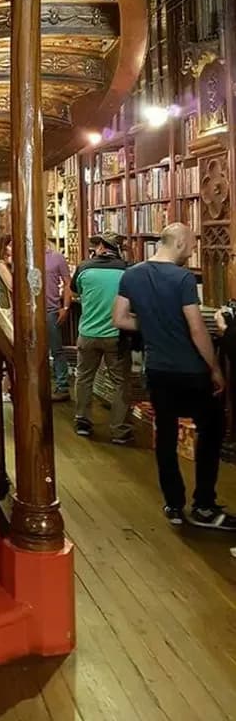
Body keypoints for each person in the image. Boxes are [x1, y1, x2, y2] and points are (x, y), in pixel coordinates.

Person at [113, 222, 236, 529]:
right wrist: (215, 368)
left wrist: (153, 326)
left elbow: (120, 318)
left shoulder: (131, 275)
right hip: (190, 369)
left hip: (157, 369)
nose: (192, 250)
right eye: (192, 244)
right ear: (179, 243)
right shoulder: (182, 278)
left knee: (165, 435)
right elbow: (196, 328)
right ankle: (204, 505)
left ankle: (174, 504)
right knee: (212, 429)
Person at [71, 231, 133, 443]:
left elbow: (76, 292)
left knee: (84, 377)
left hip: (87, 332)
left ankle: (83, 422)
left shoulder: (84, 268)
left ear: (101, 247)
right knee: (121, 382)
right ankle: (119, 430)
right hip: (116, 335)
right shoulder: (127, 270)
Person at [45, 239, 72, 400]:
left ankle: (62, 386)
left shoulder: (57, 257)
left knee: (56, 349)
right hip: (30, 311)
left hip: (51, 309)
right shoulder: (25, 257)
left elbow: (68, 283)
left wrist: (66, 307)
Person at [0, 233, 13, 311]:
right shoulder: (0, 264)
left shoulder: (8, 264)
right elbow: (12, 285)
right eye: (11, 245)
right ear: (4, 247)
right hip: (7, 308)